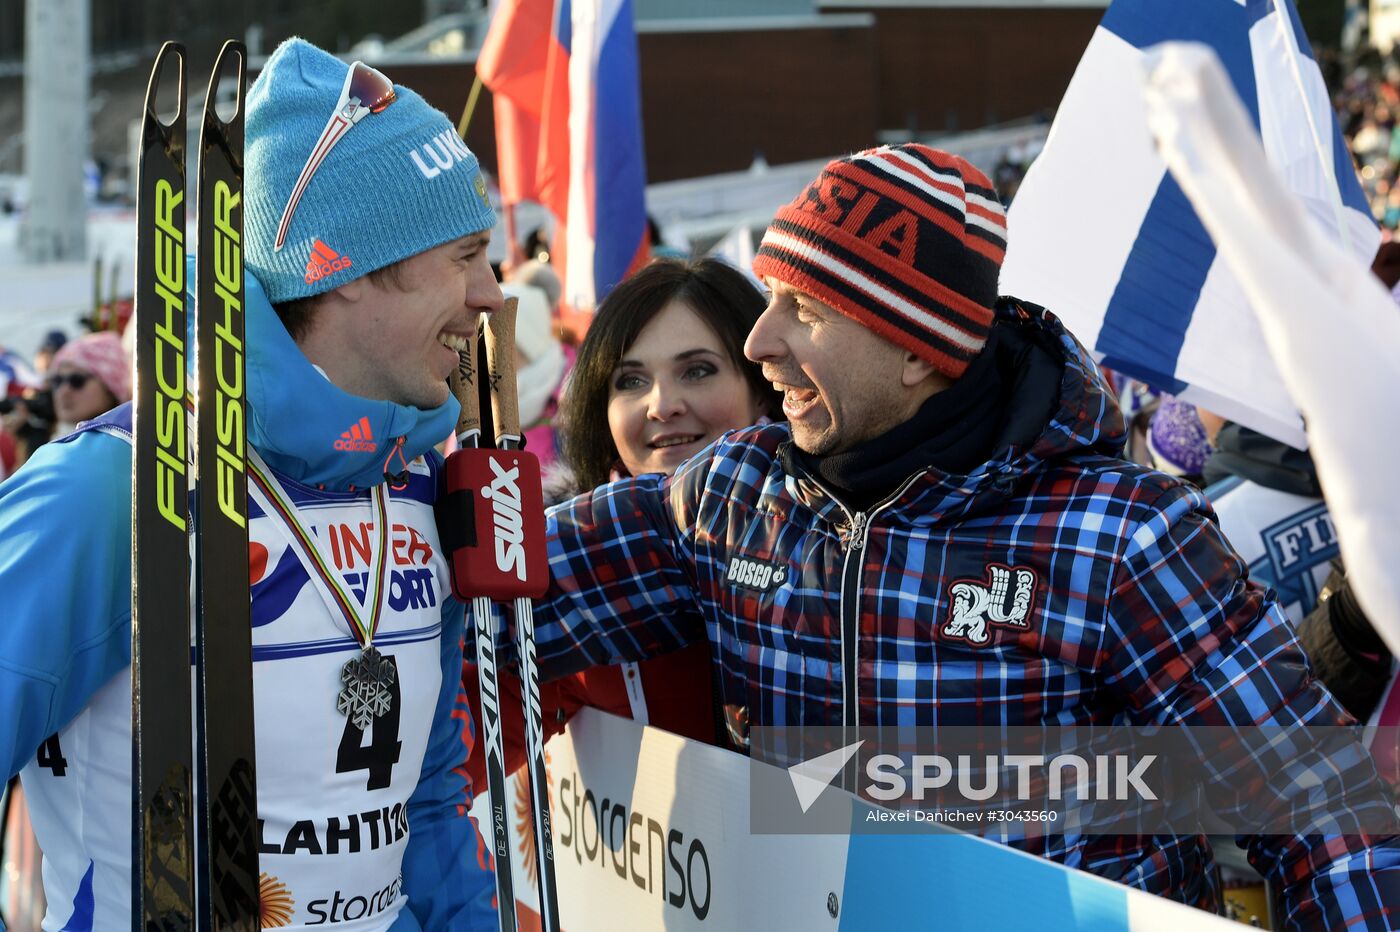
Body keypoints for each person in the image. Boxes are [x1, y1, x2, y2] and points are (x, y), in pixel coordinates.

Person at [519, 144, 1400, 925]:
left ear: (916, 352)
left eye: (804, 309)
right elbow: (513, 586)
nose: (760, 342)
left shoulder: (1118, 534)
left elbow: (1319, 808)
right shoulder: (734, 495)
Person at [0, 39, 499, 929]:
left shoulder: (419, 484)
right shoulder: (111, 492)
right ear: (344, 268)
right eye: (464, 256)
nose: (493, 292)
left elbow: (422, 805)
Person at [464, 258, 781, 791]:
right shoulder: (570, 578)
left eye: (698, 370)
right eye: (631, 380)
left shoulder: (830, 552)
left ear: (762, 386)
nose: (662, 405)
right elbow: (452, 759)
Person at [45, 330, 130, 433]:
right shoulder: (53, 442)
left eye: (77, 381)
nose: (63, 392)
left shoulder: (130, 443)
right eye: (57, 381)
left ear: (109, 388)